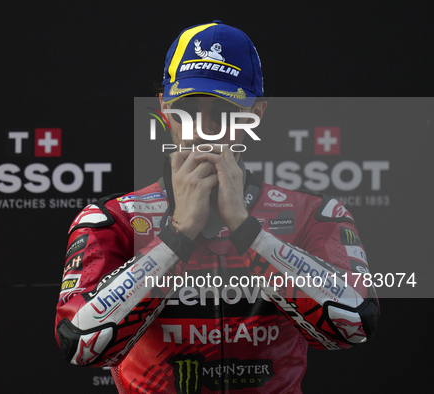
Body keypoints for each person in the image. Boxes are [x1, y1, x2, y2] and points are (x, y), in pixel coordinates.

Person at [55, 21, 379, 393]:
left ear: (255, 114)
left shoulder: (315, 214)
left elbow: (354, 323)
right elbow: (80, 344)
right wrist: (176, 238)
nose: (205, 129)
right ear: (164, 109)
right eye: (188, 110)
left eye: (223, 113)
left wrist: (248, 232)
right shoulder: (114, 220)